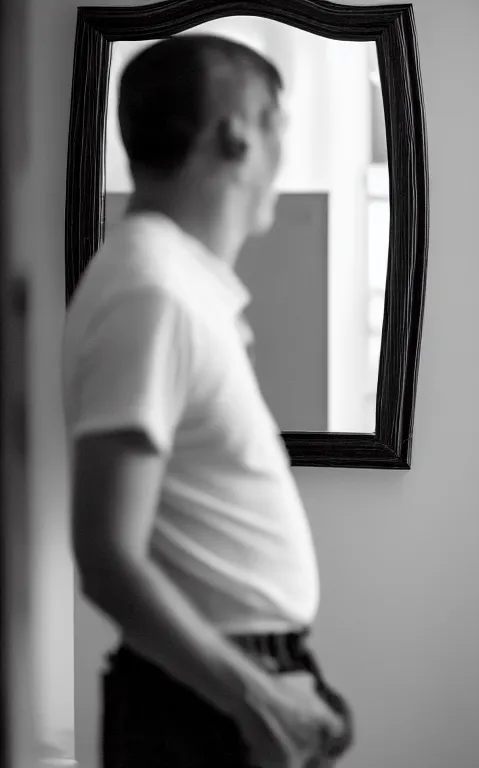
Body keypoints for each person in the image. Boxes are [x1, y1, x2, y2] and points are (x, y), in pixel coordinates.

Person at [62, 34, 354, 768]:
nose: (284, 150)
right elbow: (106, 557)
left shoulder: (172, 284)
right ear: (238, 133)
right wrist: (256, 698)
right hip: (203, 706)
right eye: (277, 122)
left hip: (219, 691)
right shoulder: (152, 292)